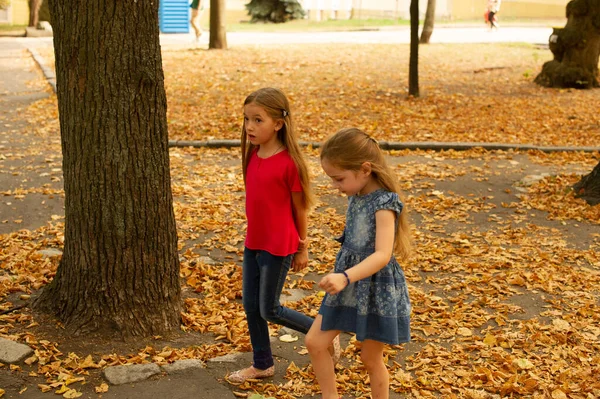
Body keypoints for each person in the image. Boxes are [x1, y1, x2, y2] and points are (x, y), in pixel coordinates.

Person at [227, 87, 340, 384]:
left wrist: (302, 248)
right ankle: (262, 364)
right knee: (251, 306)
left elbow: (300, 208)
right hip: (254, 242)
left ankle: (324, 331)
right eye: (246, 119)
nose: (250, 126)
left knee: (270, 309)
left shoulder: (289, 163)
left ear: (278, 124)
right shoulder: (251, 153)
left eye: (258, 120)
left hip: (279, 246)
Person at [305, 128, 412, 399]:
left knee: (370, 358)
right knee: (315, 342)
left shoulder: (384, 203)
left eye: (338, 179)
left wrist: (345, 276)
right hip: (349, 283)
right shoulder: (357, 193)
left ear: (365, 169)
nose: (335, 186)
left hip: (377, 287)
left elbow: (382, 255)